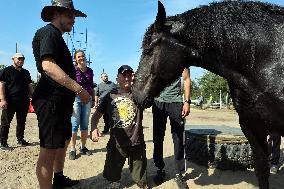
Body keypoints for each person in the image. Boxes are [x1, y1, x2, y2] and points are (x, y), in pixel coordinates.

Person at [32, 1, 89, 188]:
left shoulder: (58, 36)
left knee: (63, 142)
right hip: (50, 101)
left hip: (61, 103)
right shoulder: (48, 32)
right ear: (57, 13)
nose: (74, 20)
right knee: (48, 150)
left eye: (74, 16)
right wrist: (79, 89)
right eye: (70, 15)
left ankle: (59, 179)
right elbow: (48, 66)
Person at [90, 65, 148, 189]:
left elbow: (150, 98)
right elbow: (95, 116)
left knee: (140, 172)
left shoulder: (138, 95)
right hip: (117, 141)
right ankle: (115, 182)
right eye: (124, 75)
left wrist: (137, 84)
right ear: (117, 78)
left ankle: (141, 183)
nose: (127, 78)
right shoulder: (110, 96)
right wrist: (94, 127)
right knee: (113, 170)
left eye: (130, 75)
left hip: (136, 140)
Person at [152, 68, 191, 189]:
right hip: (158, 102)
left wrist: (187, 102)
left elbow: (186, 79)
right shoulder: (157, 56)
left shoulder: (181, 59)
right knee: (157, 138)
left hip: (176, 102)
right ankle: (160, 169)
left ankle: (180, 173)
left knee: (179, 139)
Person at [0, 52, 33, 150]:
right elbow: (1, 85)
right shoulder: (6, 71)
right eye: (18, 58)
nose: (21, 60)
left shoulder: (26, 72)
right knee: (5, 122)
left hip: (23, 101)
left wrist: (33, 97)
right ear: (13, 59)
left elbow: (30, 86)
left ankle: (20, 139)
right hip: (10, 101)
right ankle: (3, 143)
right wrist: (2, 100)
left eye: (22, 59)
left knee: (21, 122)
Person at [69, 49, 94, 160]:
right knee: (74, 124)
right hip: (76, 99)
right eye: (78, 56)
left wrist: (93, 99)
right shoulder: (73, 70)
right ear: (75, 59)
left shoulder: (90, 71)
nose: (81, 58)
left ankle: (83, 147)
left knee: (84, 124)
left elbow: (91, 86)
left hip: (87, 99)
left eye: (82, 56)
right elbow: (69, 85)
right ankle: (72, 149)